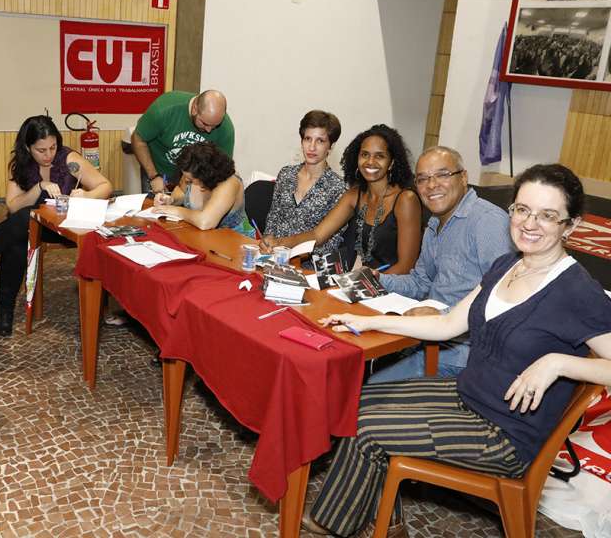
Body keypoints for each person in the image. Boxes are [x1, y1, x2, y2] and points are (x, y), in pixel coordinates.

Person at [303, 164, 611, 538]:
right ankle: (385, 517)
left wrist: (557, 363)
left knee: (366, 428)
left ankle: (334, 523)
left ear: (571, 225)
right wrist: (369, 321)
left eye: (547, 215)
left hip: (504, 433)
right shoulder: (508, 265)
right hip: (468, 395)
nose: (530, 223)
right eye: (522, 210)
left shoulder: (577, 291)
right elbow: (448, 324)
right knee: (360, 398)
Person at [368, 146, 514, 382]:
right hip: (424, 340)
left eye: (442, 175)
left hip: (462, 358)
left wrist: (442, 315)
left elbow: (505, 298)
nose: (431, 185)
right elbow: (421, 282)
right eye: (422, 179)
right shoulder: (435, 224)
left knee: (364, 387)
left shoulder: (488, 222)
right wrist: (377, 279)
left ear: (463, 177)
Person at [0, 115, 112, 336]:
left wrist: (86, 195)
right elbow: (13, 205)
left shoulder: (68, 158)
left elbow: (105, 186)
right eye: (41, 150)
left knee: (21, 225)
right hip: (34, 226)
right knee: (19, 234)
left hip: (65, 227)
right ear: (27, 147)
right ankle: (5, 313)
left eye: (53, 147)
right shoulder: (21, 165)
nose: (48, 154)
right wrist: (39, 187)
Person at [260, 124, 421, 274]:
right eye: (365, 155)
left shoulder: (406, 200)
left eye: (379, 156)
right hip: (367, 280)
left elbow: (407, 266)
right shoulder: (355, 195)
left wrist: (371, 284)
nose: (370, 162)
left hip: (394, 286)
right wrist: (278, 242)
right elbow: (317, 235)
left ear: (391, 163)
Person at [263, 110, 347, 257]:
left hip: (306, 263)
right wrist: (268, 239)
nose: (312, 147)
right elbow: (273, 218)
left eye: (320, 141)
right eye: (308, 139)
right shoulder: (286, 174)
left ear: (331, 146)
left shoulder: (338, 188)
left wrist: (292, 251)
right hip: (272, 256)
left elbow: (331, 243)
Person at [132, 90, 234, 194]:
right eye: (205, 123)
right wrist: (153, 176)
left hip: (195, 179)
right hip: (156, 170)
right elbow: (138, 139)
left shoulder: (226, 129)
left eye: (215, 126)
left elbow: (222, 170)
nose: (209, 130)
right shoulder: (164, 110)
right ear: (194, 109)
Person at [152, 142, 255, 237]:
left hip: (234, 242)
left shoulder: (229, 183)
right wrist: (170, 200)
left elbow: (205, 222)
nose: (186, 180)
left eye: (190, 179)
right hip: (200, 237)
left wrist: (176, 210)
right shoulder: (191, 171)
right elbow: (182, 192)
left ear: (205, 176)